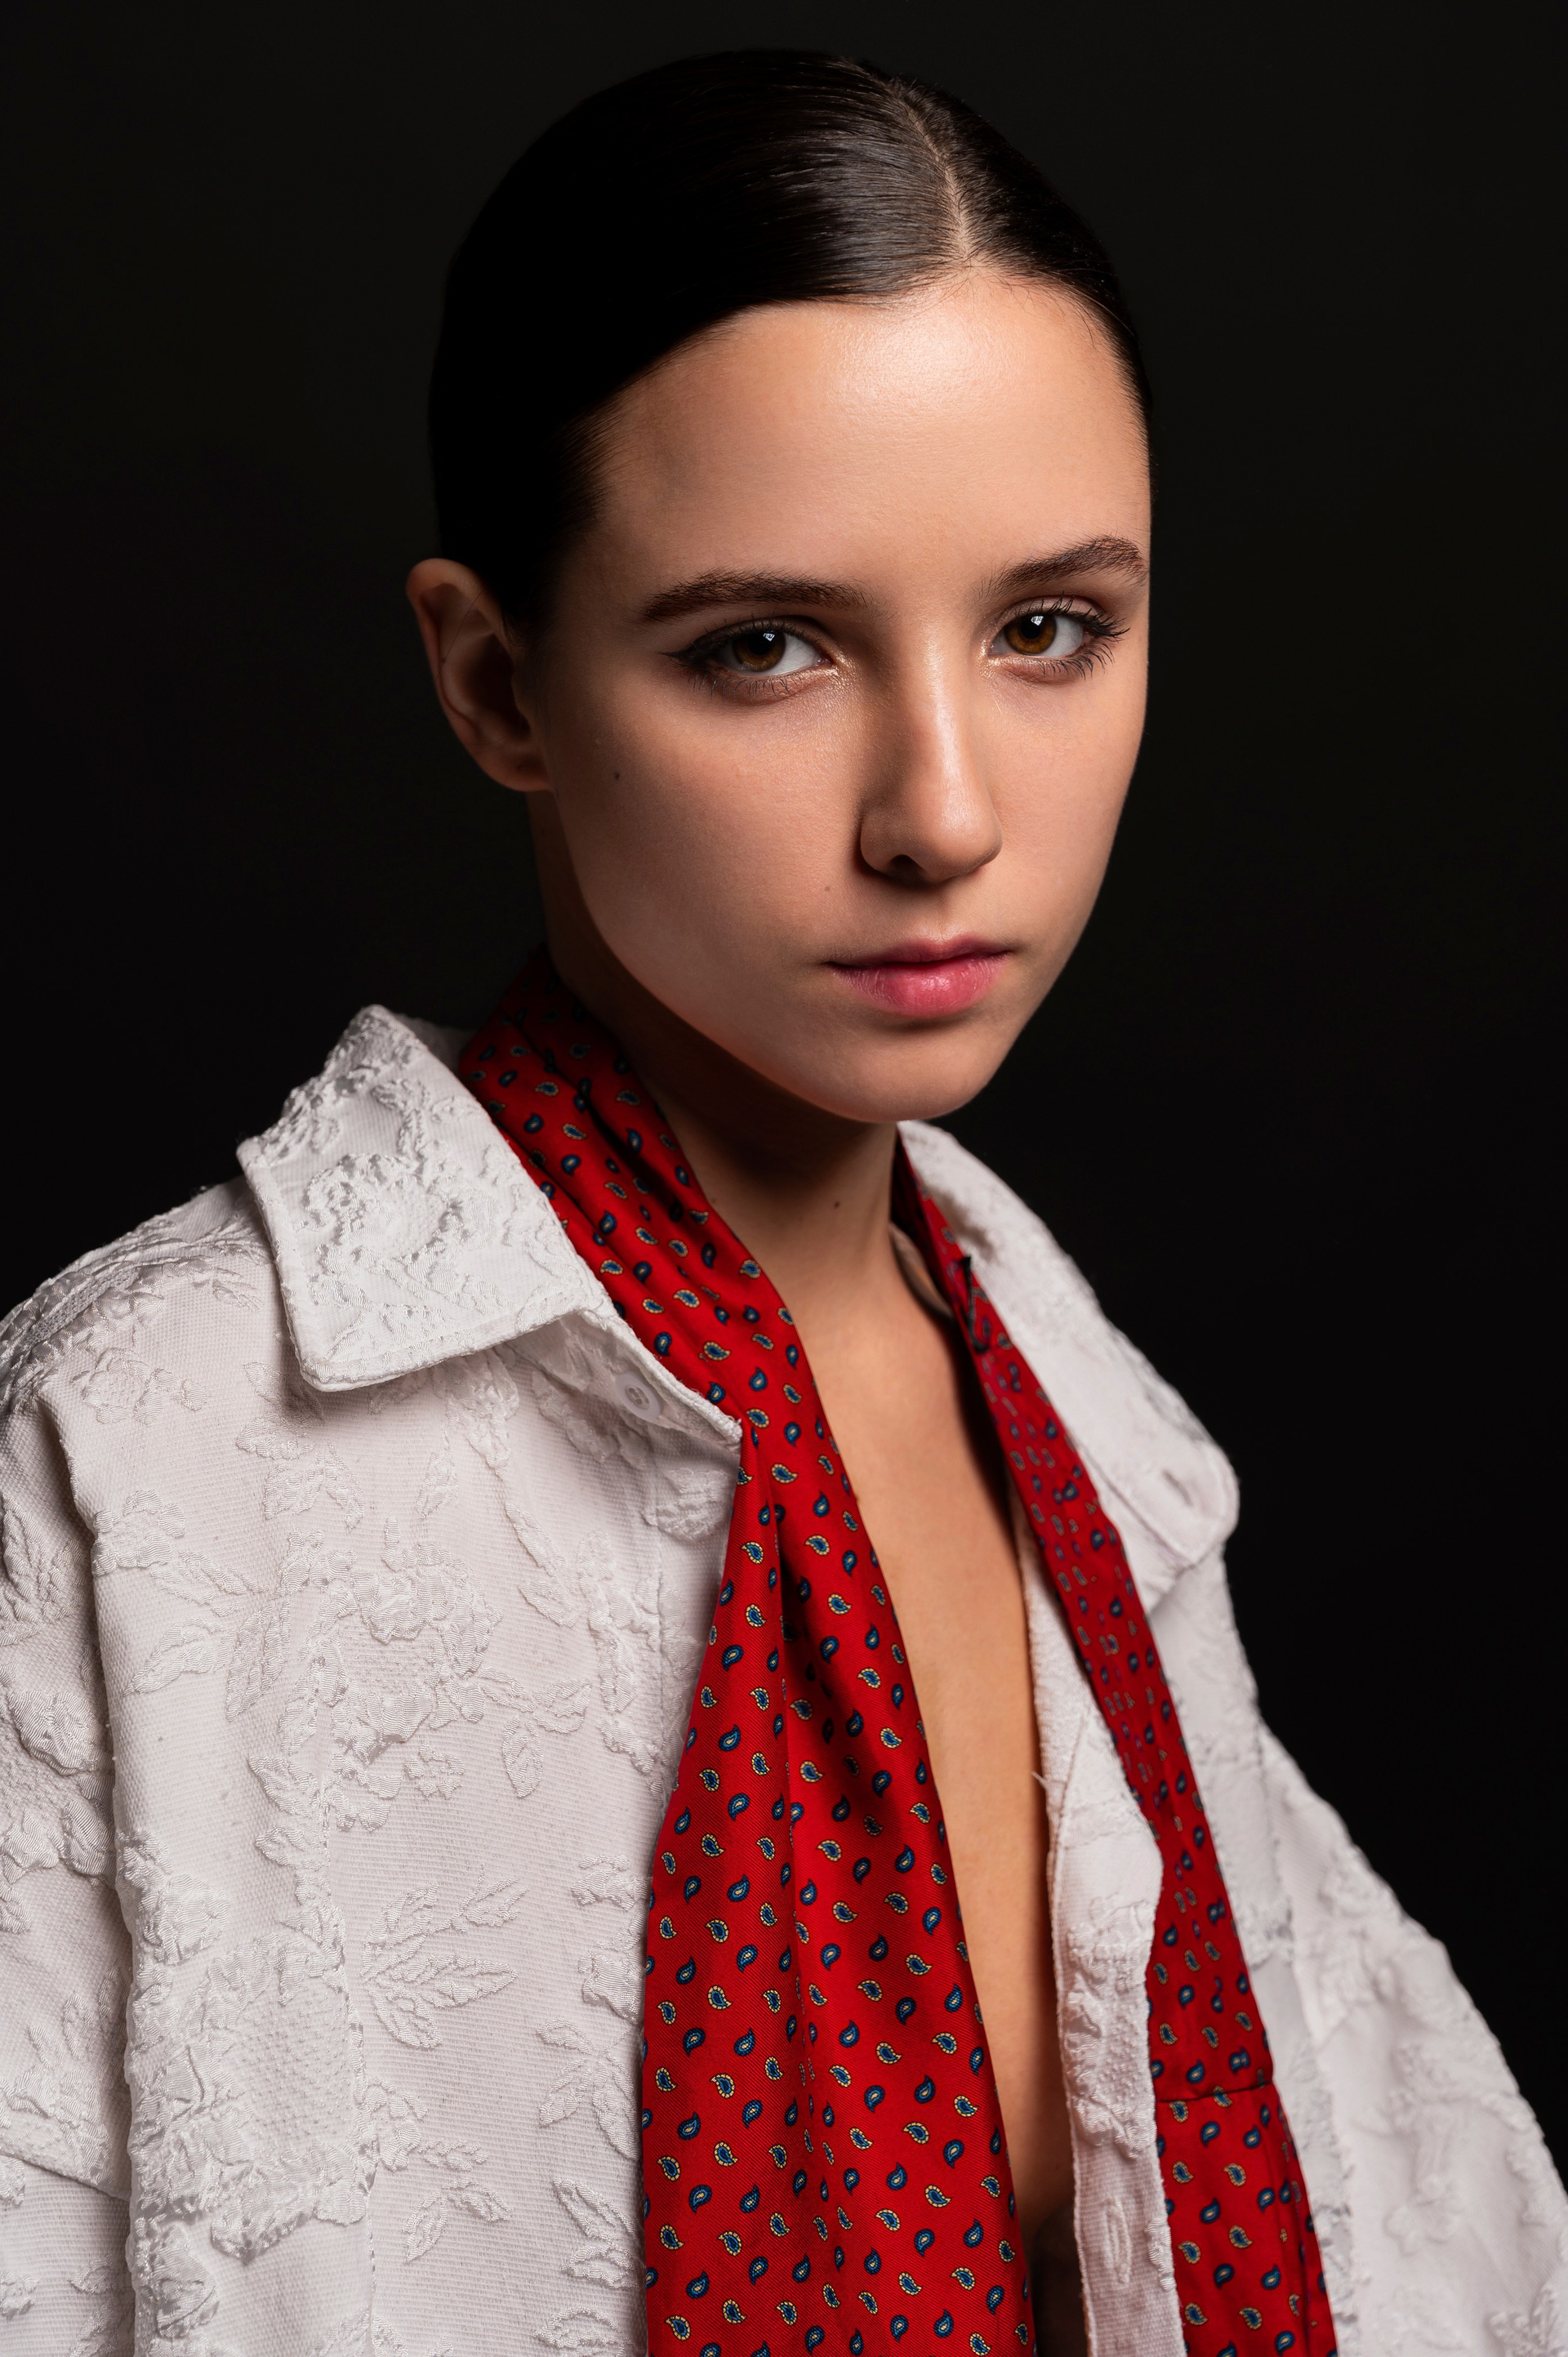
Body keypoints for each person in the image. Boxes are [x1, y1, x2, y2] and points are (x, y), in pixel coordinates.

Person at [0, 48, 1558, 2357]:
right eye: (767, 646)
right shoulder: (133, 1455)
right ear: (497, 683)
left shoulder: (1096, 1438)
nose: (945, 812)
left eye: (1049, 627)